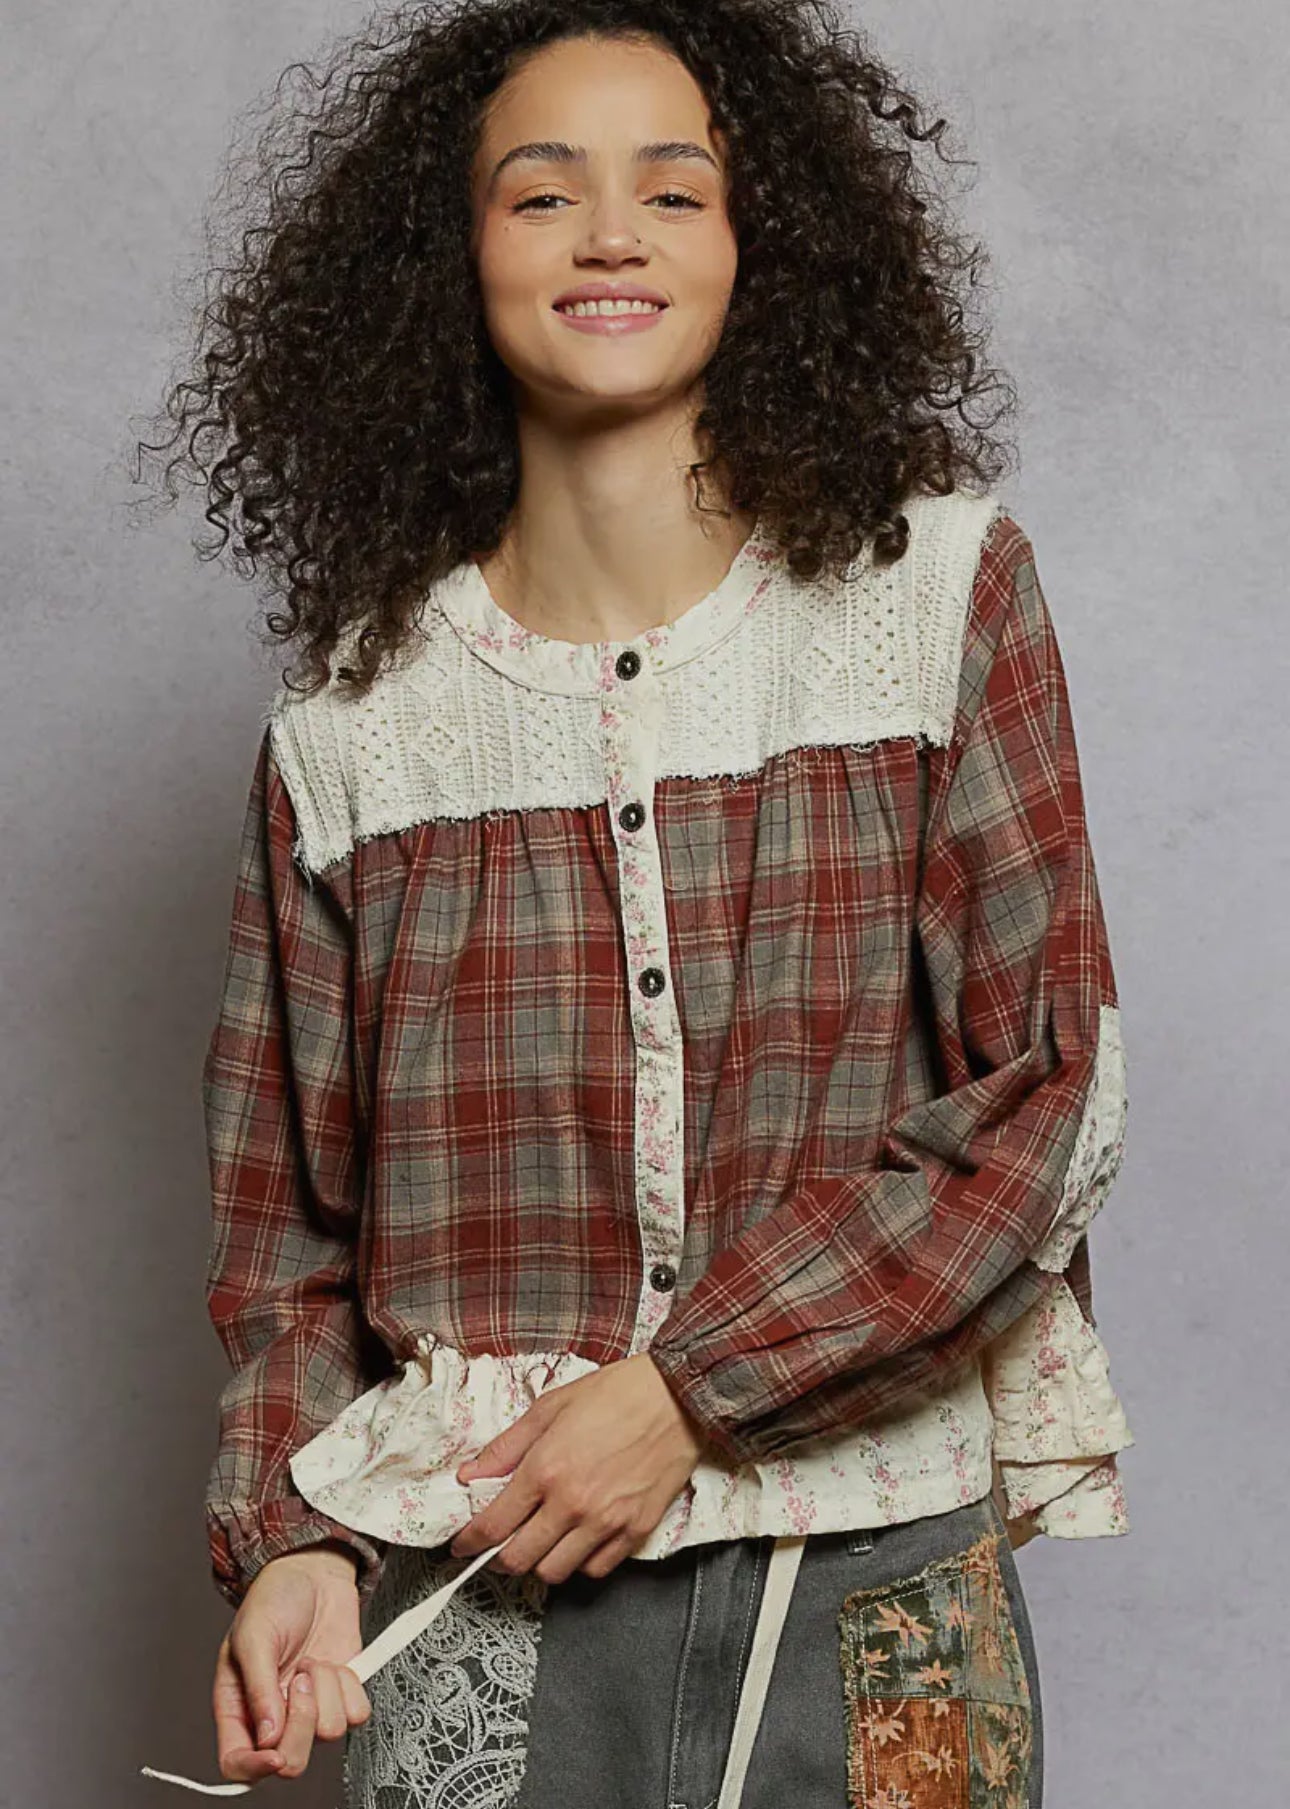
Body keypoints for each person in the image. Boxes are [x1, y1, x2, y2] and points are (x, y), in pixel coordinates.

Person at [141, 3, 1135, 1803]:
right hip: (476, 1589)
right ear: (447, 259)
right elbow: (286, 1227)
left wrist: (690, 1387)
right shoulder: (352, 725)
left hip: (875, 1575)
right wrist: (289, 1538)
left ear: (762, 246)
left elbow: (1047, 1095)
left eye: (672, 191)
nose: (610, 234)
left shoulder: (938, 599)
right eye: (542, 195)